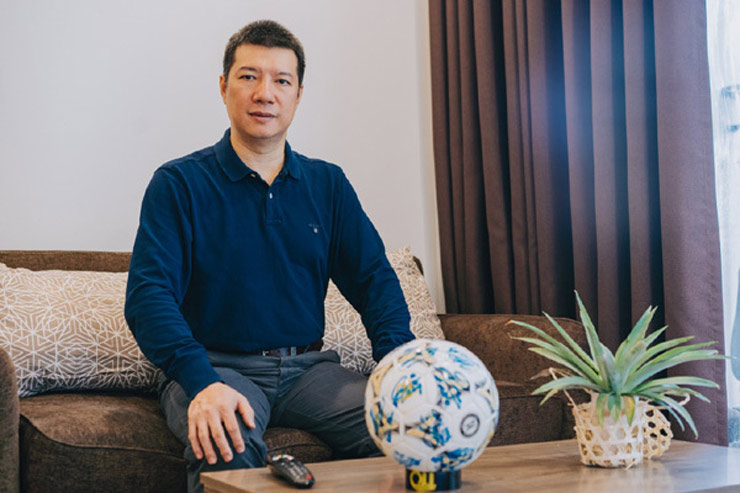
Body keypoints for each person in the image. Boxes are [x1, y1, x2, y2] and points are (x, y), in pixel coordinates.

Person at [124, 19, 414, 492]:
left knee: (411, 429)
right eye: (249, 76)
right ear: (224, 87)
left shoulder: (328, 184)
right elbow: (148, 297)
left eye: (281, 81)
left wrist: (400, 368)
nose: (265, 94)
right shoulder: (178, 184)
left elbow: (374, 280)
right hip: (218, 367)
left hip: (310, 373)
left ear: (298, 95)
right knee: (226, 440)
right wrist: (201, 381)